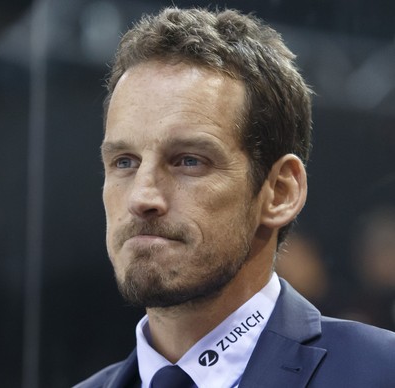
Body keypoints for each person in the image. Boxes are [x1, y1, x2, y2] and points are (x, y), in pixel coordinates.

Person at [74, 6, 395, 388]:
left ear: (279, 192)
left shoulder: (380, 372)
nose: (142, 197)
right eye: (124, 162)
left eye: (189, 161)